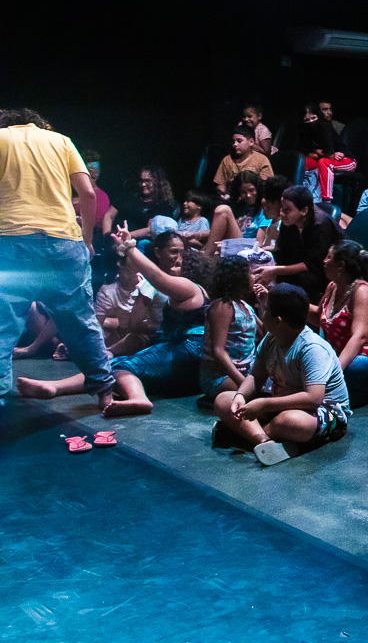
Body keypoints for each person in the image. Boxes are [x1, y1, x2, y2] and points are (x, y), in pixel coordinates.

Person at [19, 228, 213, 415]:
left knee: (122, 367)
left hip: (190, 351)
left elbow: (157, 277)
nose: (174, 264)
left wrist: (130, 247)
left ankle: (139, 398)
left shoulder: (191, 287)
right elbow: (140, 322)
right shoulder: (186, 292)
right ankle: (56, 387)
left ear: (191, 268)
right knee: (113, 365)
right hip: (182, 352)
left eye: (179, 263)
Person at [0, 109, 115, 406]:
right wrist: (86, 241)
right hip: (63, 242)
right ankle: (105, 393)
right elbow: (88, 193)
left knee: (2, 326)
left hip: (11, 242)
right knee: (81, 321)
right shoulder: (61, 141)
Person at [212, 283, 351, 467]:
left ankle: (242, 434)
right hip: (282, 403)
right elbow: (255, 376)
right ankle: (264, 442)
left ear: (278, 320)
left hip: (324, 413)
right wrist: (241, 396)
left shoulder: (312, 348)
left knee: (290, 421)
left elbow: (314, 398)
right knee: (224, 400)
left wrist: (264, 404)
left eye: (265, 310)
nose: (262, 313)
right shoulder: (271, 338)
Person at [315, 240, 368, 407]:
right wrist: (283, 301)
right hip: (343, 363)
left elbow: (359, 337)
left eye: (329, 257)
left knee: (356, 365)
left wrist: (334, 372)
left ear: (340, 265)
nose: (324, 261)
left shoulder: (362, 291)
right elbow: (317, 317)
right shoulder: (333, 287)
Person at [258, 185, 342, 301]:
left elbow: (312, 263)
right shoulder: (288, 221)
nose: (282, 213)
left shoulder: (321, 224)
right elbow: (282, 251)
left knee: (304, 278)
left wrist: (275, 270)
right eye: (282, 208)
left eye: (287, 209)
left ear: (304, 211)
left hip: (328, 269)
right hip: (304, 263)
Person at [196, 255, 260, 407]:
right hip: (220, 376)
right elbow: (218, 351)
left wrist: (263, 303)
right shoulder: (223, 306)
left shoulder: (246, 306)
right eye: (251, 273)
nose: (254, 277)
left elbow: (264, 334)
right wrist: (243, 383)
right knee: (255, 397)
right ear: (239, 278)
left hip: (245, 374)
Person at [298, 102, 355, 203]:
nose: (311, 122)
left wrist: (319, 154)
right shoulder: (304, 132)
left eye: (313, 118)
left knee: (324, 162)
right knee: (306, 162)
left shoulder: (325, 127)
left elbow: (330, 156)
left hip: (346, 161)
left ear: (318, 116)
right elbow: (307, 154)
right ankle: (308, 197)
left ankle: (326, 201)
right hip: (327, 161)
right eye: (307, 120)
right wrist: (318, 153)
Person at [202, 171, 267, 256]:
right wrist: (196, 235)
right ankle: (206, 254)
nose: (248, 195)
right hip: (232, 244)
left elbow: (259, 244)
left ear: (257, 189)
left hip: (247, 250)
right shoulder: (238, 208)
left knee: (223, 210)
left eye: (251, 190)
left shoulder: (264, 210)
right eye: (243, 192)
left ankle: (206, 257)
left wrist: (229, 245)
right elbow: (216, 232)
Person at [117, 166, 177, 240]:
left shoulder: (165, 205)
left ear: (157, 182)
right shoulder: (131, 196)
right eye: (141, 181)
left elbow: (150, 230)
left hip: (139, 242)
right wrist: (108, 236)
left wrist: (125, 236)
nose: (143, 184)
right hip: (118, 236)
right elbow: (110, 215)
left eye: (148, 181)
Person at [214, 125, 273, 197]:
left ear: (251, 142)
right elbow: (220, 184)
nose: (235, 144)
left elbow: (265, 185)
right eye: (233, 142)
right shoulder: (227, 160)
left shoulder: (262, 160)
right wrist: (222, 190)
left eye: (239, 141)